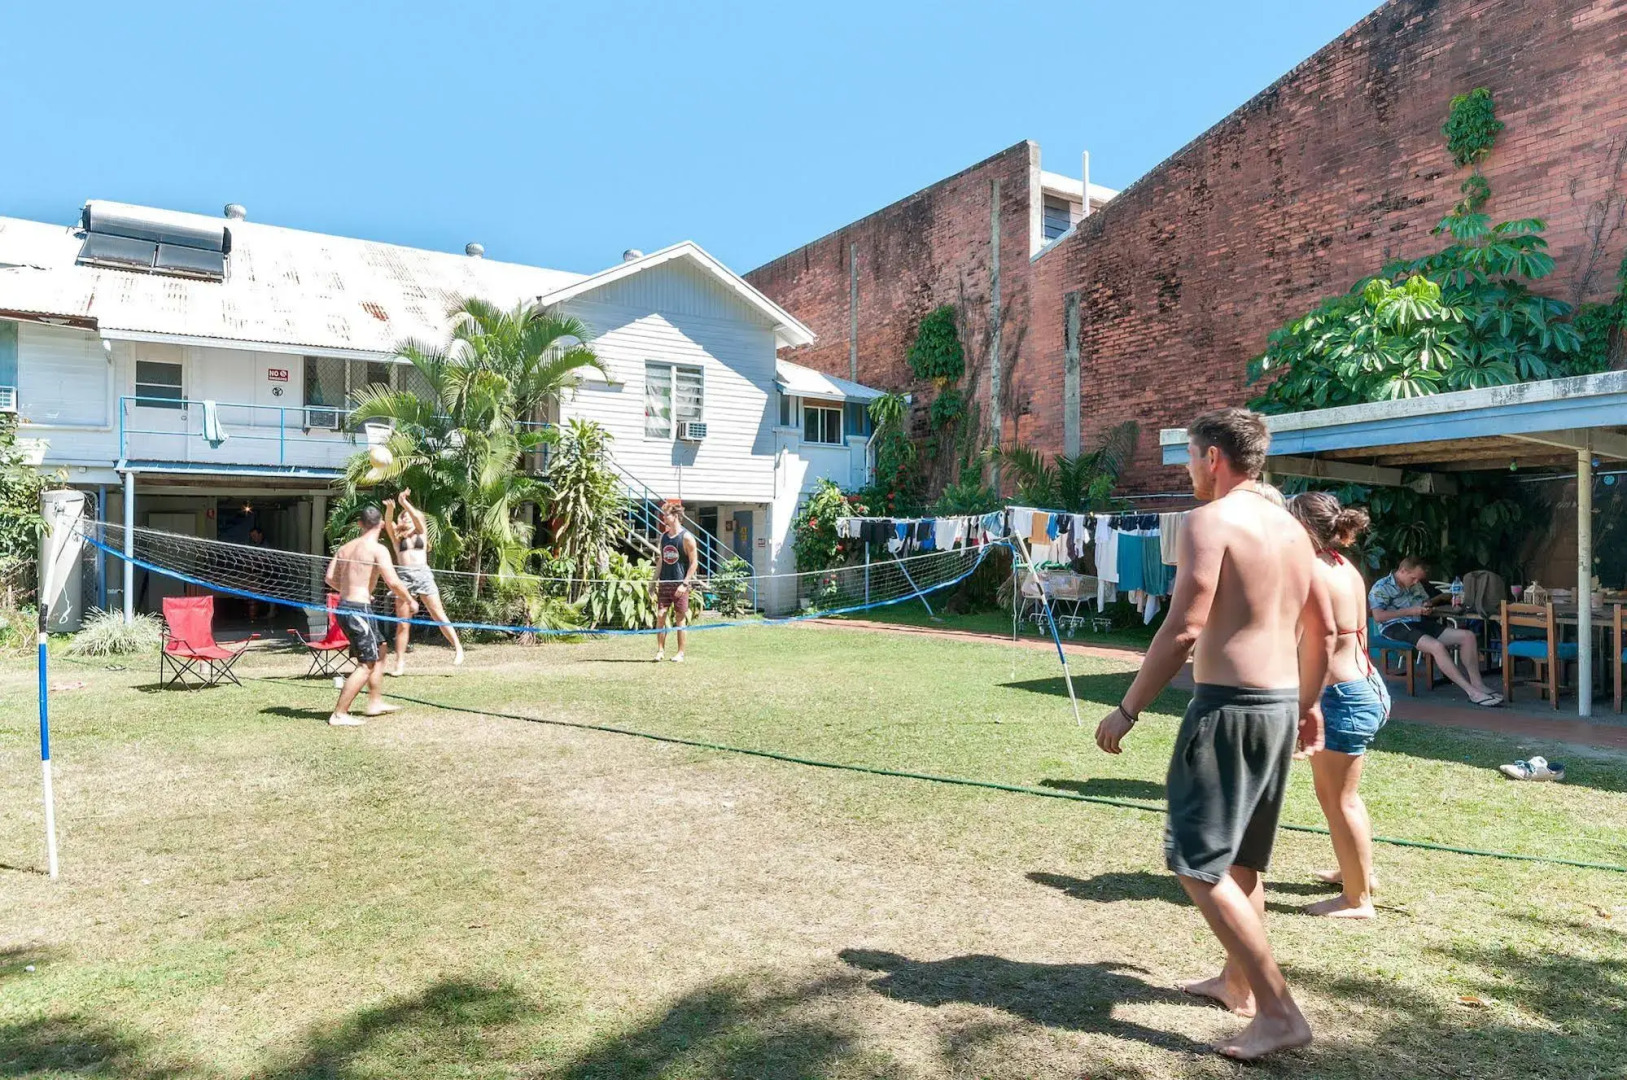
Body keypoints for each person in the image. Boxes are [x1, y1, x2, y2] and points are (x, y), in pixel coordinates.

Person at [1094, 406, 1333, 1061]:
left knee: (1194, 862)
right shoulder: (1292, 530)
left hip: (1230, 708)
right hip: (1279, 703)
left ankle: (1279, 1012)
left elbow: (1183, 628)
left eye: (1189, 458)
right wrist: (1307, 703)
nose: (1188, 472)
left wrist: (1128, 708)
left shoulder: (1210, 520)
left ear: (1213, 459)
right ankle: (1237, 984)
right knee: (1242, 862)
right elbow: (1319, 627)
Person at [1288, 492, 1390, 919]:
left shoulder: (1309, 570)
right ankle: (1357, 874)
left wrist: (1302, 704)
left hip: (1341, 696)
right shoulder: (1343, 565)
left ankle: (1357, 899)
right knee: (1341, 796)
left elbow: (1315, 639)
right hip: (1365, 684)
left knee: (1339, 799)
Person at [324, 506, 417, 726]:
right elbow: (393, 581)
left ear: (360, 524)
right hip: (357, 610)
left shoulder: (345, 548)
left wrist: (352, 589)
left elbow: (329, 578)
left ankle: (375, 702)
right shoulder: (378, 549)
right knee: (367, 663)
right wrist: (410, 600)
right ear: (382, 525)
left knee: (381, 647)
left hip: (348, 606)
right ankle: (339, 713)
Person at [1369, 556, 1501, 707]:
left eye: (1418, 580)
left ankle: (1478, 684)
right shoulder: (1381, 587)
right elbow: (1378, 616)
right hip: (1394, 626)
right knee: (1436, 646)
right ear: (1403, 571)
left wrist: (1426, 606)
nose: (1415, 582)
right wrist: (1410, 610)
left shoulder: (1415, 584)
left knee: (1468, 636)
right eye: (1413, 578)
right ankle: (1471, 692)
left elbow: (1424, 601)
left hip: (1418, 621)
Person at [382, 489, 464, 674]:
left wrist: (404, 504)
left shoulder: (421, 534)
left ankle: (458, 648)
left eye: (409, 517)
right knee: (403, 623)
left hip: (423, 575)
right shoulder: (397, 538)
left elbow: (418, 517)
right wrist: (390, 509)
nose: (407, 519)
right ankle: (399, 663)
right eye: (404, 518)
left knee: (438, 615)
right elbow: (388, 523)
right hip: (404, 578)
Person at [653, 500, 698, 663]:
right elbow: (661, 560)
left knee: (680, 618)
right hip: (665, 582)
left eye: (666, 514)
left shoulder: (687, 537)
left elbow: (694, 563)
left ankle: (680, 653)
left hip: (680, 584)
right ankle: (660, 650)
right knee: (660, 615)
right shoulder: (664, 536)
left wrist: (684, 584)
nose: (663, 517)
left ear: (675, 516)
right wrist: (653, 582)